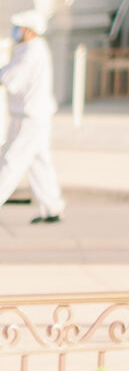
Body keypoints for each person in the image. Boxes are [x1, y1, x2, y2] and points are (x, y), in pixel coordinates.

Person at [0, 11, 64, 223]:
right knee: (39, 161)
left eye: (19, 28)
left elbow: (13, 80)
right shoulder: (28, 49)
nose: (16, 31)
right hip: (31, 114)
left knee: (11, 160)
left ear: (30, 31)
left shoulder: (32, 52)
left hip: (30, 117)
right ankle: (52, 207)